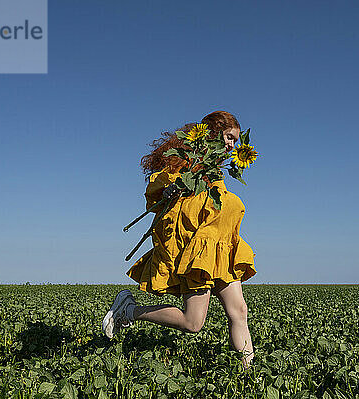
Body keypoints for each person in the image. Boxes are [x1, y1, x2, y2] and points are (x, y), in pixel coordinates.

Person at [102, 110, 257, 368]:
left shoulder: (214, 169)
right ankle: (129, 310)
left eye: (235, 141)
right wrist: (172, 187)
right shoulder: (187, 162)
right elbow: (157, 189)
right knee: (193, 323)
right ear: (214, 132)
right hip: (199, 253)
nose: (232, 145)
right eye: (229, 137)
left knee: (239, 311)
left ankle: (249, 375)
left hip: (223, 250)